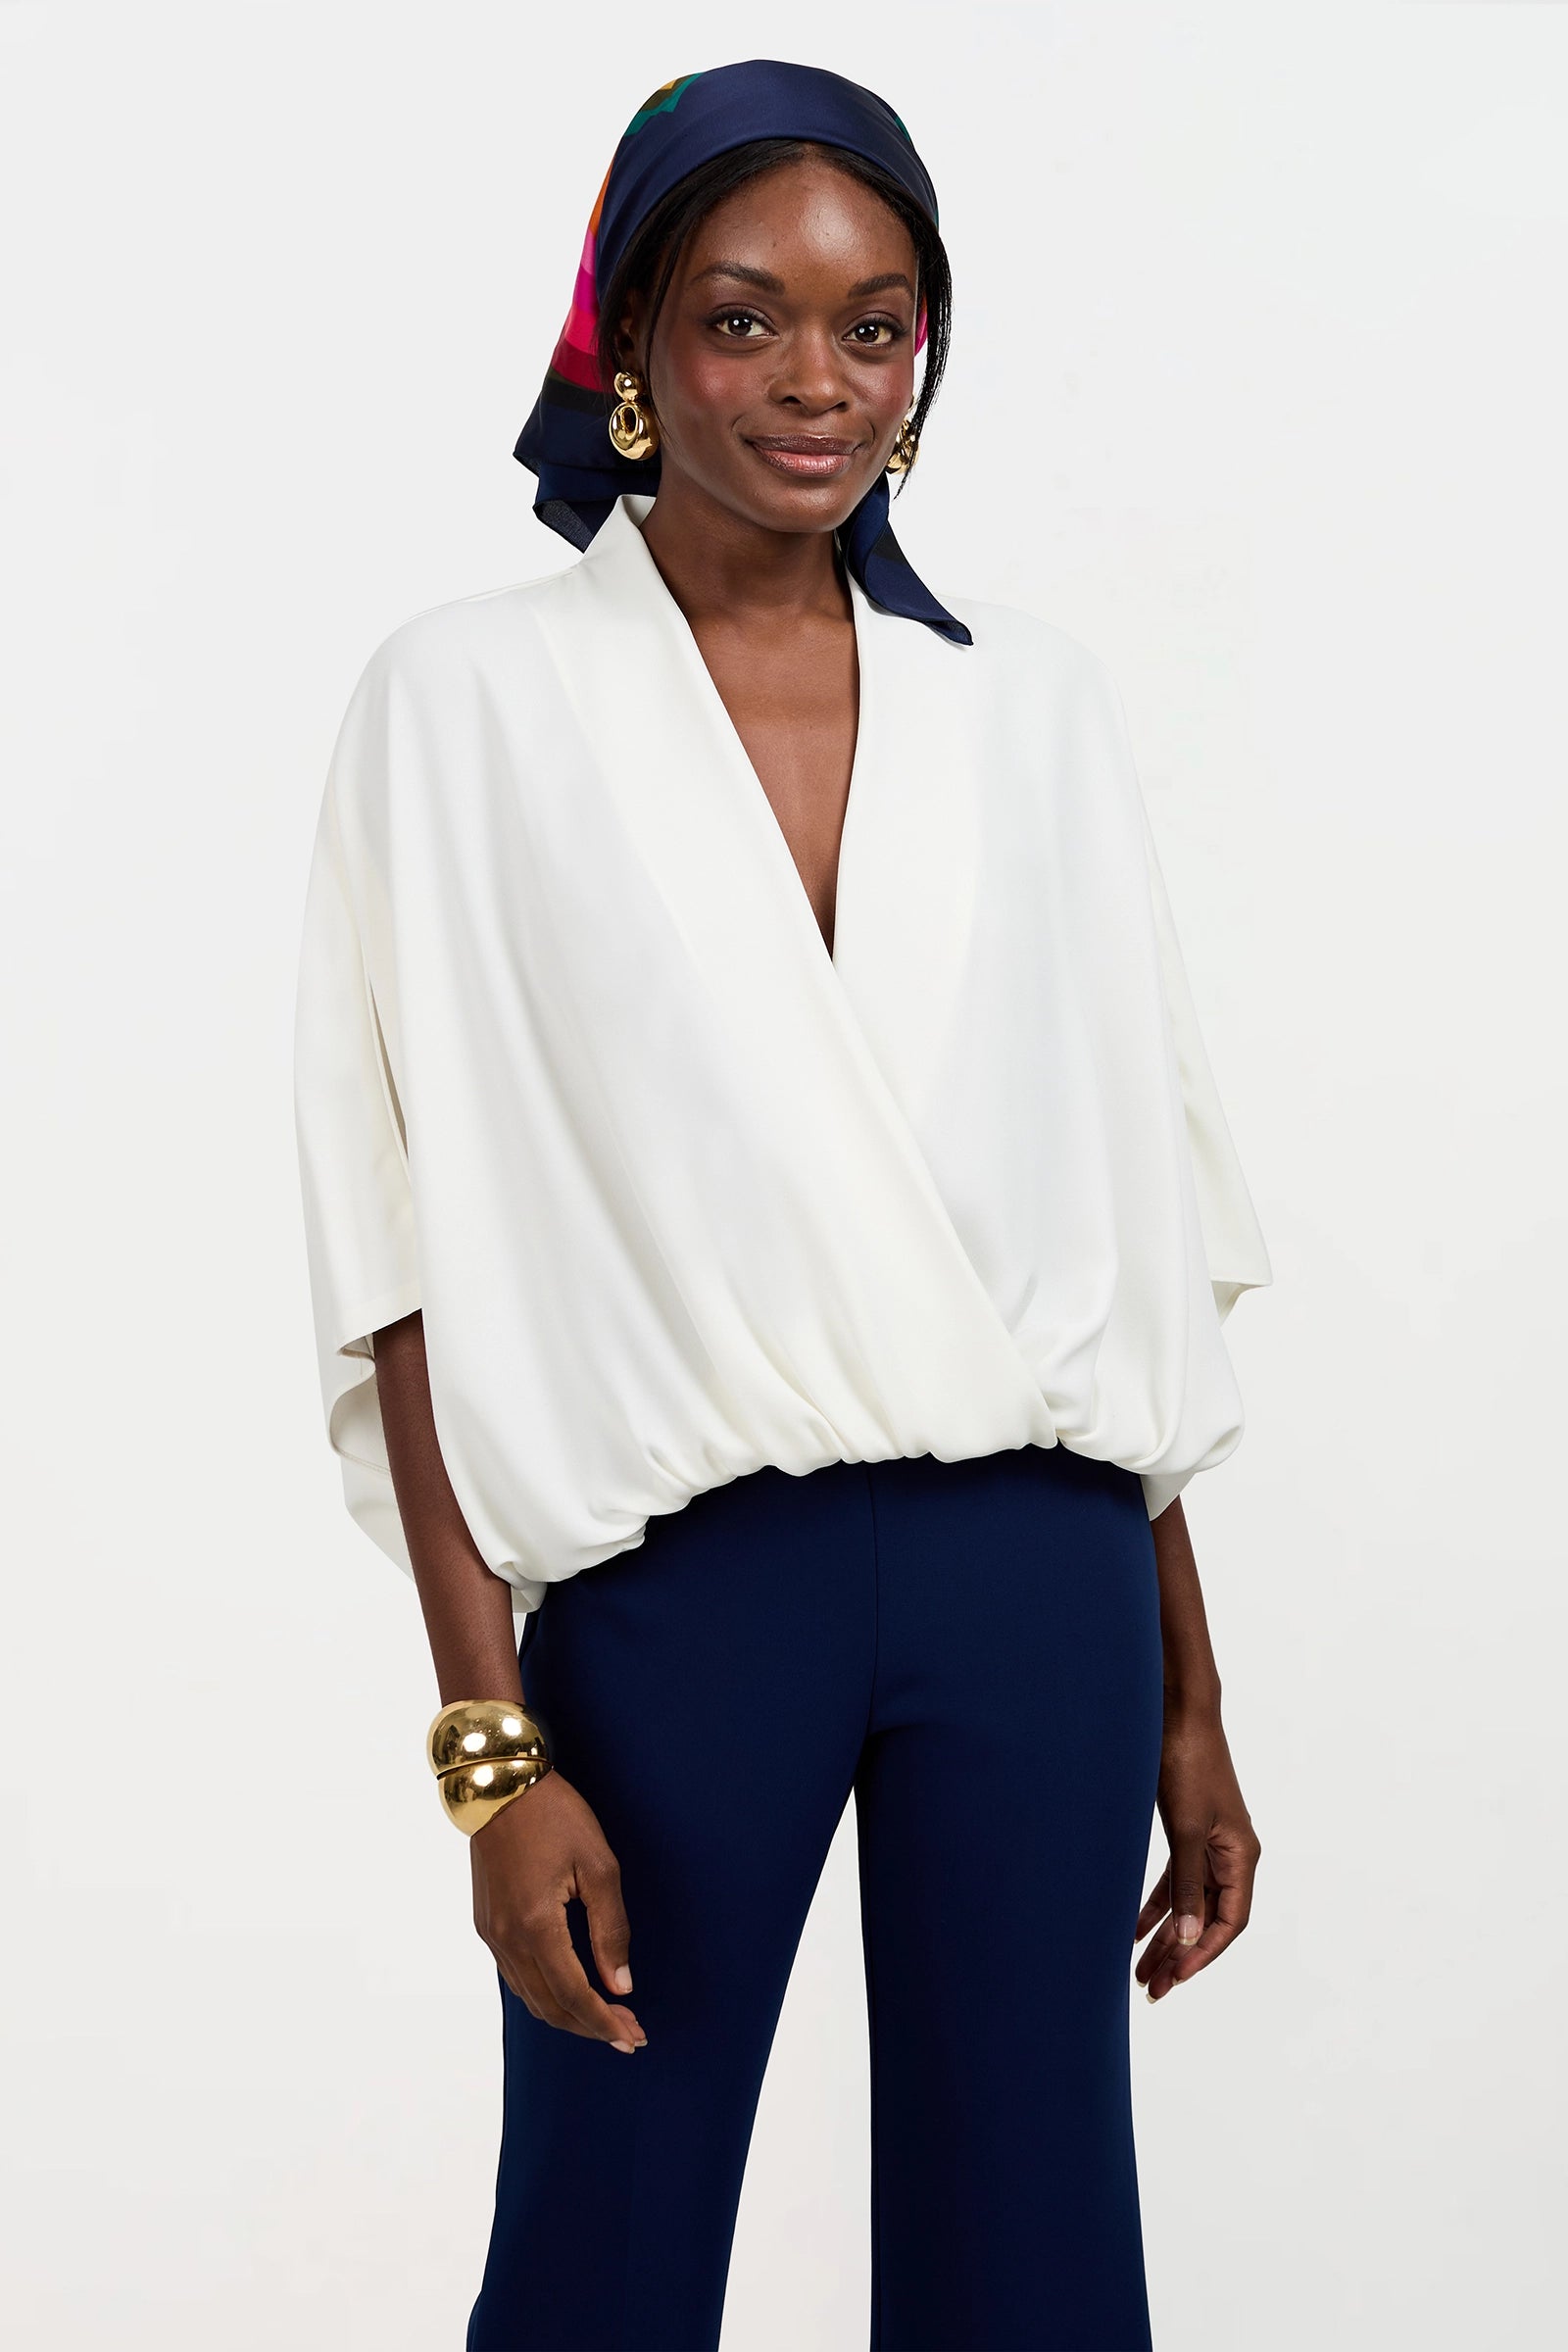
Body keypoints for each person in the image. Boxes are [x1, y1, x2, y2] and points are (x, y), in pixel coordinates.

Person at [292, 57, 1271, 2352]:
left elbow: (1110, 1229)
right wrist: (486, 1754)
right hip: (675, 1601)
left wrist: (1193, 1697)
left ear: (926, 352)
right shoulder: (463, 709)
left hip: (1041, 1582)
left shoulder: (1026, 708)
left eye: (874, 322)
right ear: (623, 344)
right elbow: (401, 1260)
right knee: (601, 2271)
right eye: (742, 319)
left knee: (1032, 2274)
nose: (813, 383)